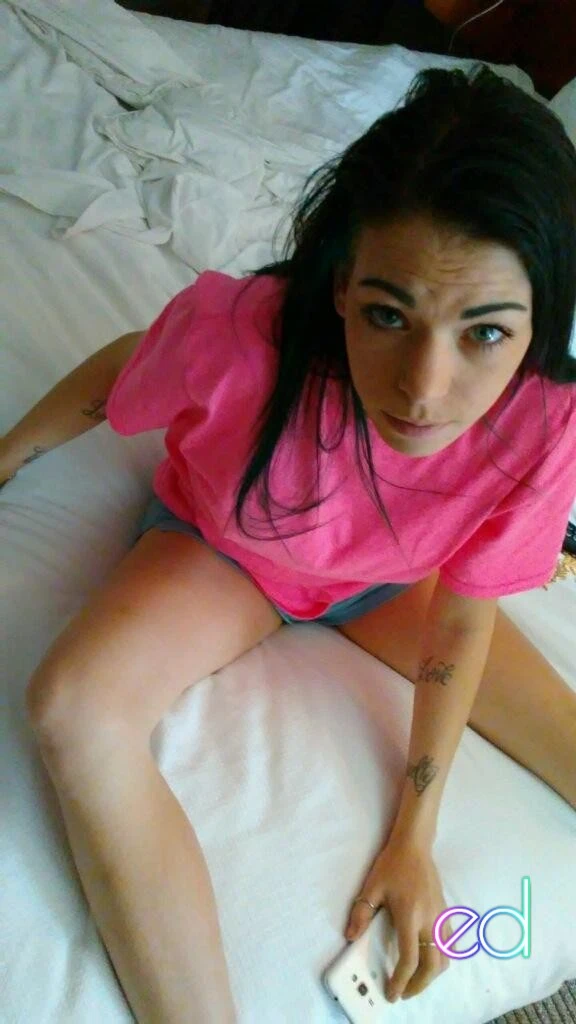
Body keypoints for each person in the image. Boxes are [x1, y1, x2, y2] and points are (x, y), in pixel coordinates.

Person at [2, 63, 576, 1023]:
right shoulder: (242, 335)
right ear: (343, 284)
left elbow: (463, 617)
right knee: (74, 707)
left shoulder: (546, 417)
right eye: (388, 316)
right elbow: (124, 369)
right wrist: (10, 450)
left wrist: (414, 836)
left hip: (393, 581)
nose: (424, 388)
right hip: (226, 551)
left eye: (483, 334)